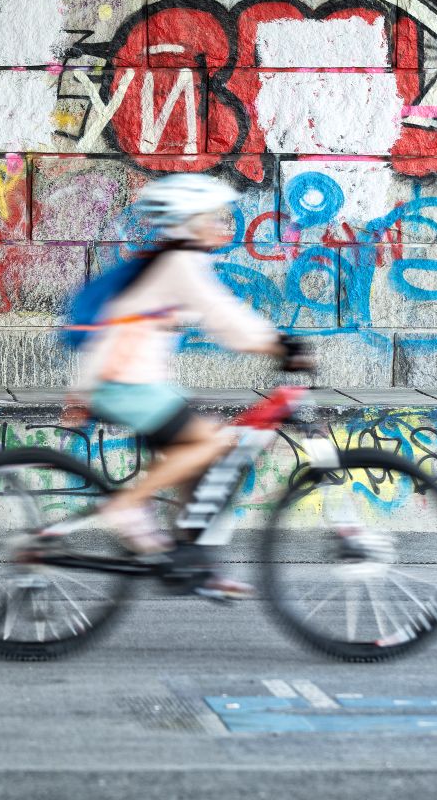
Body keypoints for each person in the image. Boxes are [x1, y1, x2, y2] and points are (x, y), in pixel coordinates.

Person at [64, 173, 304, 599]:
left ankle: (195, 562)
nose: (222, 225)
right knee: (207, 444)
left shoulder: (179, 260)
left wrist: (271, 344)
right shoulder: (179, 262)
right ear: (186, 221)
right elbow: (224, 318)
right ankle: (126, 505)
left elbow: (221, 318)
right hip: (124, 384)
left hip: (140, 383)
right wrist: (281, 344)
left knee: (208, 449)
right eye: (211, 217)